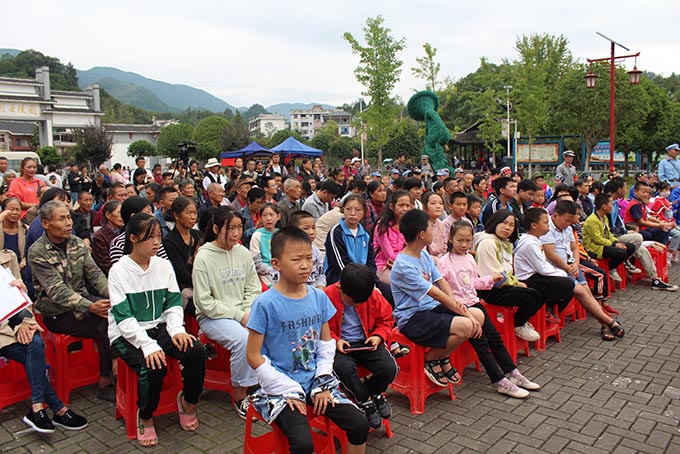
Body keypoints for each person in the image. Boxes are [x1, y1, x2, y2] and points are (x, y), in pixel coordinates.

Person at [246, 227, 370, 454]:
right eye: (296, 259)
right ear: (276, 264)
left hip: (316, 380)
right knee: (303, 444)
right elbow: (253, 356)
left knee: (360, 424)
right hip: (280, 387)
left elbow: (325, 343)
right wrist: (288, 388)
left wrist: (323, 381)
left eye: (309, 259)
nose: (305, 265)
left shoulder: (318, 297)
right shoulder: (264, 304)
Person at [108, 213, 206, 446]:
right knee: (153, 365)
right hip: (126, 334)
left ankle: (188, 402)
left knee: (196, 351)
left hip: (160, 326)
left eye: (158, 236)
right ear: (132, 238)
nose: (156, 242)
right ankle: (145, 415)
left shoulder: (163, 266)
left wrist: (176, 330)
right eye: (149, 237)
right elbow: (123, 318)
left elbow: (173, 303)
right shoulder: (119, 271)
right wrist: (148, 345)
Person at [437, 221, 541, 398]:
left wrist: (490, 280)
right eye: (460, 240)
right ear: (450, 239)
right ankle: (500, 380)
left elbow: (472, 284)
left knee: (494, 339)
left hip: (474, 303)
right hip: (458, 309)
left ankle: (513, 372)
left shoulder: (470, 258)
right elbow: (443, 291)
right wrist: (460, 309)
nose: (464, 245)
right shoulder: (444, 262)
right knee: (481, 342)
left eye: (468, 241)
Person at [27, 201, 115, 402]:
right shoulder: (37, 251)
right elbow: (56, 291)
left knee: (117, 312)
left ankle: (118, 368)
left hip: (83, 301)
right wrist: (90, 306)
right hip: (57, 312)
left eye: (68, 217)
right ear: (46, 223)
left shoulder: (76, 243)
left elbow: (95, 275)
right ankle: (105, 380)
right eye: (61, 219)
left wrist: (112, 295)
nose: (68, 223)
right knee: (106, 323)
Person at [390, 209, 482, 386]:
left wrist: (459, 306)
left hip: (430, 308)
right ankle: (431, 358)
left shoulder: (422, 253)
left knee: (478, 315)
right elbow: (435, 293)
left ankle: (443, 355)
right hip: (412, 318)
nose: (435, 231)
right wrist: (464, 313)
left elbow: (441, 281)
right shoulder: (404, 265)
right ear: (422, 234)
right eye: (431, 228)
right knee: (467, 324)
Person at [0, 249, 88, 433]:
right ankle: (57, 408)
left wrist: (27, 321)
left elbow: (21, 299)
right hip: (3, 331)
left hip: (15, 321)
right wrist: (17, 327)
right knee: (32, 353)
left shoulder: (8, 257)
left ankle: (38, 406)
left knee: (36, 343)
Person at [515, 206, 625, 340]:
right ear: (555, 216)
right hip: (554, 270)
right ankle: (608, 322)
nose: (568, 224)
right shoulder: (534, 240)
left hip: (567, 267)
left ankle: (606, 323)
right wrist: (567, 270)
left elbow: (575, 248)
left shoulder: (560, 230)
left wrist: (574, 265)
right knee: (572, 286)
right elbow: (546, 261)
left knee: (586, 290)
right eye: (566, 221)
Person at [192, 207, 261, 418]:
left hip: (243, 311)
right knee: (243, 339)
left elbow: (253, 287)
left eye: (240, 227)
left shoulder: (242, 252)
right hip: (213, 316)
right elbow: (204, 302)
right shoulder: (204, 257)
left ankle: (262, 384)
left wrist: (248, 311)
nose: (236, 233)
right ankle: (241, 394)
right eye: (230, 228)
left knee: (269, 328)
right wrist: (240, 316)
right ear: (215, 229)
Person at [326, 263, 397, 428]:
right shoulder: (327, 296)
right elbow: (320, 328)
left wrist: (378, 336)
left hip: (366, 341)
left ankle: (373, 393)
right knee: (342, 368)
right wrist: (335, 340)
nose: (357, 305)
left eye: (361, 301)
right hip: (340, 345)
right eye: (353, 301)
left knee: (389, 368)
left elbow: (386, 320)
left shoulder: (371, 295)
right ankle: (364, 399)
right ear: (340, 288)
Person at [474, 210, 543, 342]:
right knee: (530, 296)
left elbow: (508, 271)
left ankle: (520, 322)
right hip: (490, 288)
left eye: (511, 225)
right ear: (495, 222)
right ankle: (518, 325)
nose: (507, 227)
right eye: (504, 223)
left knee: (538, 291)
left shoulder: (505, 243)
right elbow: (495, 275)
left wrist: (516, 282)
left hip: (504, 284)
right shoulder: (487, 242)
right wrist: (517, 284)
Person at [324, 194, 376, 285]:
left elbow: (370, 262)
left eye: (358, 210)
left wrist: (371, 281)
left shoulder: (365, 234)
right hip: (341, 279)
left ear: (364, 212)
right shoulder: (336, 232)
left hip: (363, 279)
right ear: (343, 209)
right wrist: (357, 282)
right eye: (348, 209)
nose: (352, 213)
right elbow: (340, 265)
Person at [163, 197, 200, 309]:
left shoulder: (197, 235)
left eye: (195, 213)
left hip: (200, 281)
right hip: (184, 286)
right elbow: (181, 273)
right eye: (189, 213)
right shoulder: (170, 241)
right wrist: (204, 283)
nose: (193, 217)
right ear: (176, 216)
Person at [373, 190, 412, 285]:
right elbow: (389, 255)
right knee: (405, 283)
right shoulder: (382, 227)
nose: (404, 209)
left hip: (405, 265)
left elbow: (412, 249)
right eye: (401, 205)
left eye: (407, 206)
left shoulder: (409, 226)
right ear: (391, 206)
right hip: (384, 266)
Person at [289, 210, 326, 288]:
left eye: (313, 227)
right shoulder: (288, 252)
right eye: (306, 228)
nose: (311, 232)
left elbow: (320, 275)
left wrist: (320, 287)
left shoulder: (316, 251)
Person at [250, 203, 281, 288]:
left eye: (272, 215)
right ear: (260, 218)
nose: (268, 219)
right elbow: (256, 262)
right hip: (265, 274)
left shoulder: (281, 234)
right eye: (264, 215)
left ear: (278, 216)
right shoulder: (257, 235)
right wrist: (271, 270)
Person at [649, 181, 680, 262]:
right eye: (665, 190)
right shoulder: (658, 201)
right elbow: (657, 215)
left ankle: (675, 252)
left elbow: (671, 214)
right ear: (659, 191)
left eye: (669, 190)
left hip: (670, 223)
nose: (668, 192)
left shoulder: (666, 200)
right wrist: (668, 223)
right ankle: (669, 253)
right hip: (663, 224)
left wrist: (673, 223)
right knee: (677, 235)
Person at [91, 200, 123, 276]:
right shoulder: (100, 236)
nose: (122, 216)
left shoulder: (126, 231)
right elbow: (105, 265)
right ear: (108, 215)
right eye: (119, 213)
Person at [0, 197, 27, 270]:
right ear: (3, 211)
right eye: (11, 209)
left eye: (17, 210)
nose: (15, 212)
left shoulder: (27, 229)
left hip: (21, 269)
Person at [423, 191, 448, 262]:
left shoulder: (441, 224)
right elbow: (422, 253)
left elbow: (444, 246)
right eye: (433, 203)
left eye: (441, 203)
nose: (438, 206)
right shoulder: (421, 225)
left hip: (442, 258)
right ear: (425, 207)